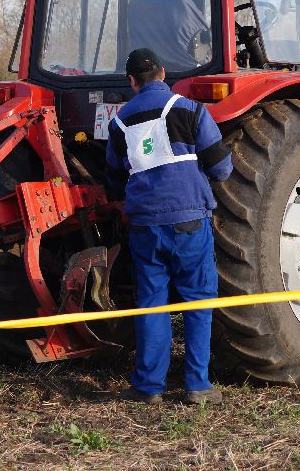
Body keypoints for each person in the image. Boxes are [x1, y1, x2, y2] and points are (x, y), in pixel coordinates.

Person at [105, 48, 232, 405]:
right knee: (198, 299)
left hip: (145, 226)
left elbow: (113, 179)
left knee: (151, 303)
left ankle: (149, 387)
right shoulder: (190, 109)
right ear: (163, 72)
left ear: (131, 81)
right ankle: (196, 385)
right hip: (190, 220)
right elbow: (221, 168)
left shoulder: (119, 124)